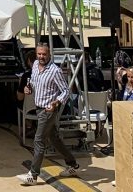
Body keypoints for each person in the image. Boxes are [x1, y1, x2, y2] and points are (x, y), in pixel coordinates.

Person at [17, 43, 79, 185]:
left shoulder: (55, 71)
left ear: (49, 54)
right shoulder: (35, 66)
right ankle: (72, 164)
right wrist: (28, 88)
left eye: (44, 54)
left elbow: (66, 91)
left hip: (48, 110)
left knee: (39, 140)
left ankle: (33, 175)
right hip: (39, 108)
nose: (41, 57)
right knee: (54, 139)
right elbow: (33, 82)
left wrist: (56, 103)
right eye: (39, 54)